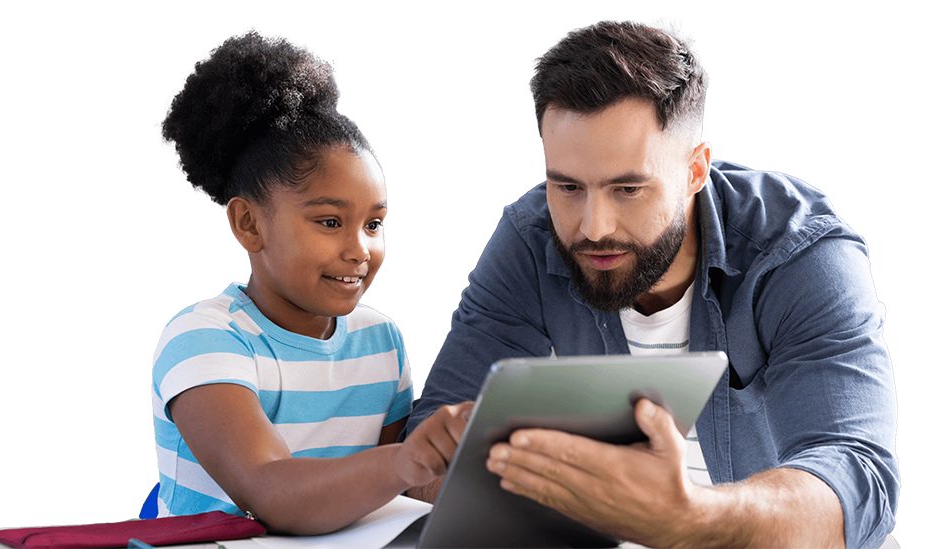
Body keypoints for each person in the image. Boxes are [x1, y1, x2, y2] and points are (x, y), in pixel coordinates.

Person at [404, 20, 898, 549]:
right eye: (568, 186)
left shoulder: (800, 253)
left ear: (695, 171)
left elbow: (859, 478)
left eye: (628, 188)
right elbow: (428, 444)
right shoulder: (530, 240)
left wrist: (691, 519)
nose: (593, 227)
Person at [151, 30, 473, 535]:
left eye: (374, 224)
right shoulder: (203, 340)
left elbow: (385, 499)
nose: (359, 250)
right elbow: (271, 492)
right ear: (249, 224)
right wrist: (407, 461)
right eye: (329, 222)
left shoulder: (380, 341)